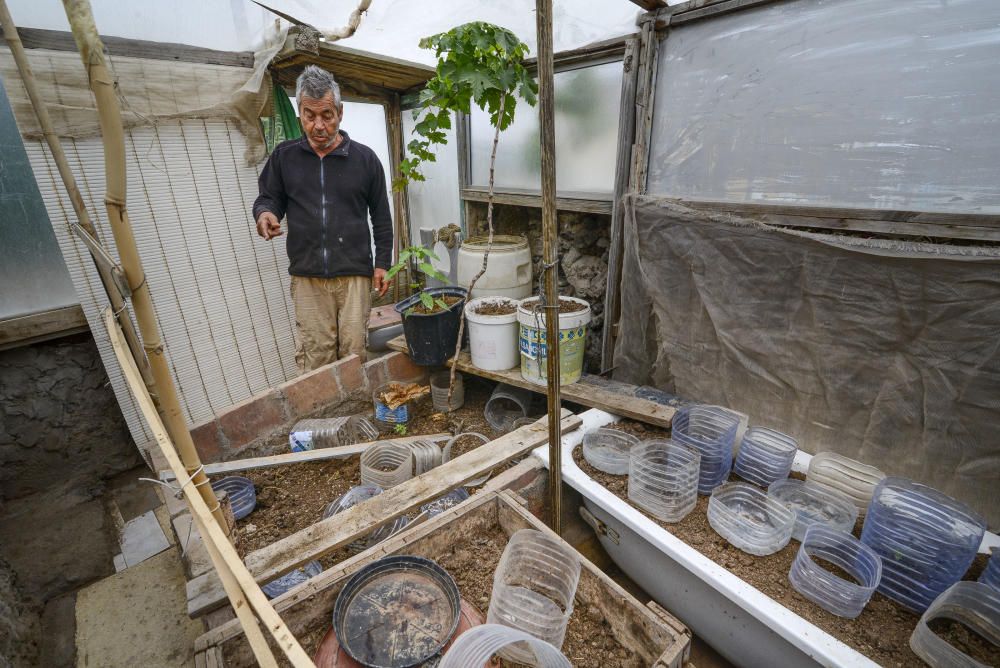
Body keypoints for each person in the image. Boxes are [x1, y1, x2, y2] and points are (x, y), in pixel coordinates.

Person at [254, 65, 393, 371]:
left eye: (326, 115)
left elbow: (382, 216)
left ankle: (354, 415)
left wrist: (382, 263)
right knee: (316, 359)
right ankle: (322, 419)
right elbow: (269, 197)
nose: (319, 125)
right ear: (299, 112)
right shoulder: (284, 157)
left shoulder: (365, 159)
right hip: (308, 277)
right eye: (309, 115)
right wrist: (266, 214)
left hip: (354, 276)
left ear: (340, 113)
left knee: (354, 355)